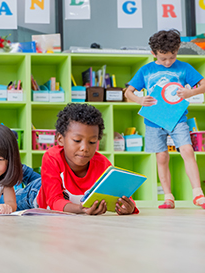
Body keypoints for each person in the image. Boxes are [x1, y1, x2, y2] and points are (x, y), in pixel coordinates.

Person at [125, 29, 205, 209]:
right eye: (163, 58)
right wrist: (139, 99)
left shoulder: (184, 67)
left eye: (172, 56)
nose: (168, 62)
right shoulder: (146, 70)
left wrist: (191, 92)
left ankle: (198, 194)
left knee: (187, 151)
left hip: (178, 118)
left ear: (177, 50)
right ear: (153, 53)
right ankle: (168, 197)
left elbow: (203, 84)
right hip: (153, 120)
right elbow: (128, 92)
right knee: (161, 157)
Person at [18, 103, 138, 215]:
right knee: (4, 201)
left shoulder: (102, 164)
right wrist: (80, 209)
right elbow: (54, 201)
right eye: (77, 140)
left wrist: (129, 207)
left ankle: (23, 171)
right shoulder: (51, 157)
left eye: (92, 142)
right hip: (35, 193)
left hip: (51, 180)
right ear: (60, 139)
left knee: (37, 177)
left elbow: (124, 197)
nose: (85, 148)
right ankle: (17, 169)